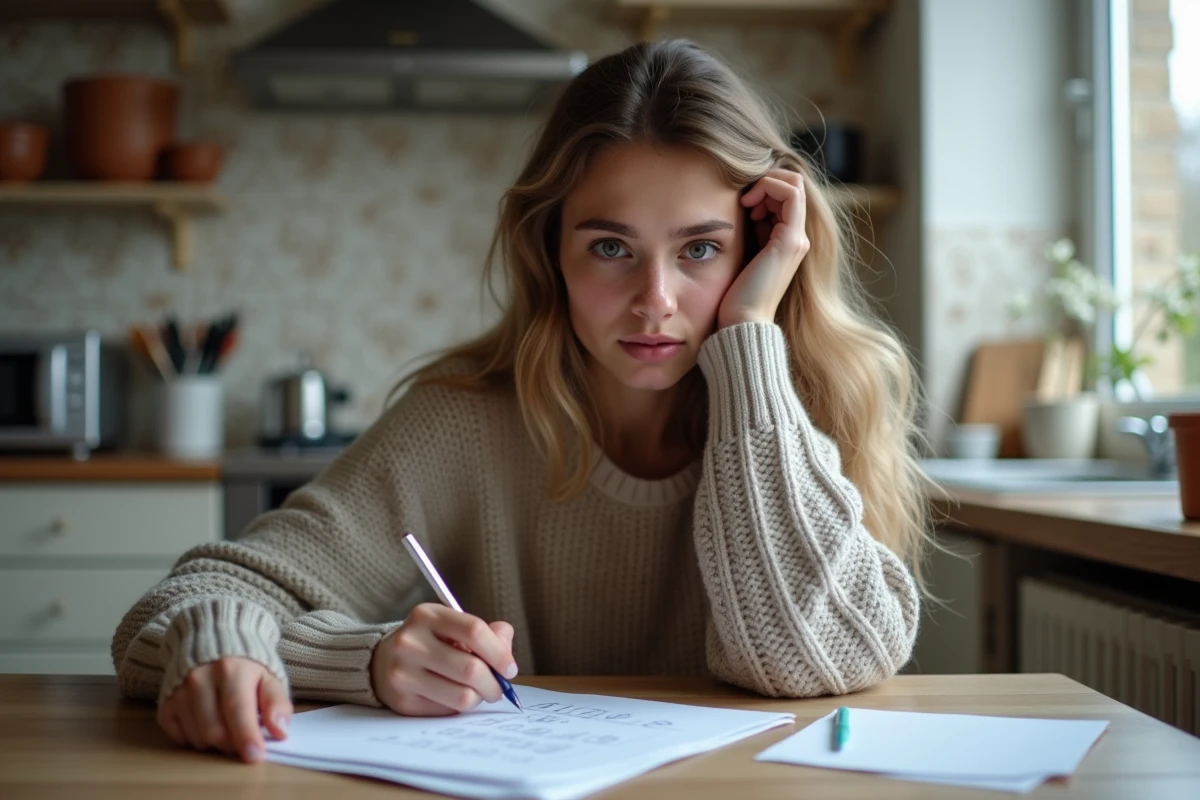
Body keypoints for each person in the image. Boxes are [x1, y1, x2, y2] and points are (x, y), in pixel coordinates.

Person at [112, 38, 928, 766]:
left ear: (761, 250)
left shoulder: (811, 402)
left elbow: (813, 662)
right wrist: (350, 660)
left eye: (701, 250)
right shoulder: (461, 422)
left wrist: (749, 335)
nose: (655, 301)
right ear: (550, 251)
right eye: (610, 247)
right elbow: (183, 605)